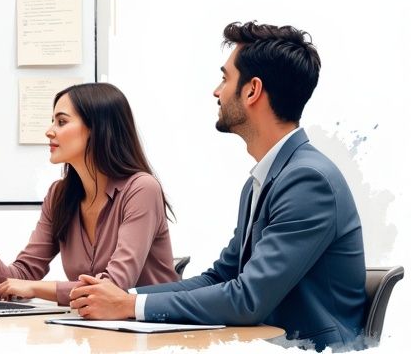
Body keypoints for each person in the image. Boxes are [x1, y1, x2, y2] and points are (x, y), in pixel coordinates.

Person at [70, 22, 366, 351]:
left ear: (252, 90)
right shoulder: (266, 179)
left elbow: (247, 298)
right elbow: (221, 277)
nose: (216, 91)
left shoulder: (308, 181)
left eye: (225, 78)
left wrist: (128, 307)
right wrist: (123, 297)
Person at [0, 82, 177, 307]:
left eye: (62, 121)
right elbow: (13, 283)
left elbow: (114, 287)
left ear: (97, 128)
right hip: (96, 330)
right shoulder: (59, 196)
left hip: (151, 332)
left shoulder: (142, 189)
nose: (49, 131)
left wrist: (36, 288)